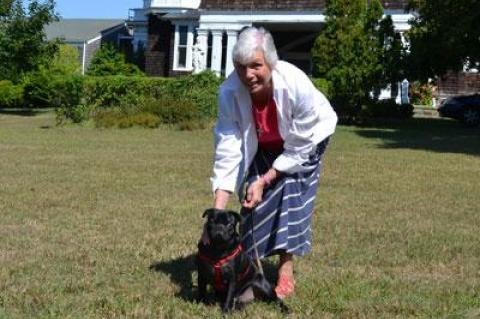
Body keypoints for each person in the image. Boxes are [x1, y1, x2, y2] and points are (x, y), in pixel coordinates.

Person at [209, 27, 337, 299]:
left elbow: (299, 146)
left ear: (271, 63)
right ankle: (248, 270)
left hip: (306, 141)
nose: (248, 75)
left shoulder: (296, 84)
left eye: (256, 66)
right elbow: (228, 148)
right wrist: (217, 212)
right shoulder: (229, 91)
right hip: (264, 143)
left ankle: (285, 268)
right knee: (252, 200)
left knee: (289, 189)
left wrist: (266, 178)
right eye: (241, 67)